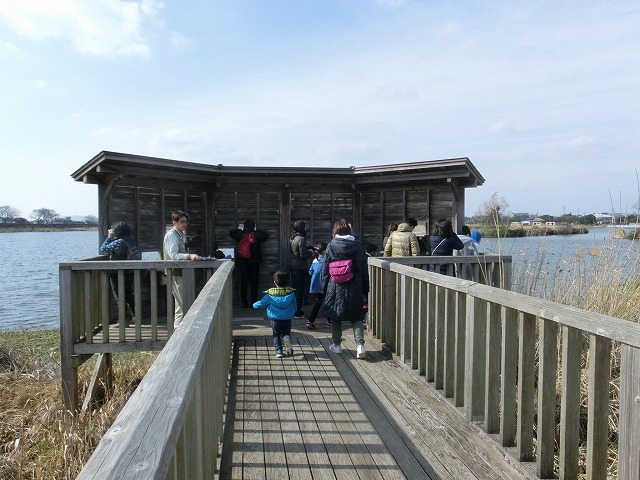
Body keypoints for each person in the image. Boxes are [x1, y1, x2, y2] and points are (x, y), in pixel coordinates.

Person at [322, 219, 369, 359]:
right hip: (355, 284)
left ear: (335, 230)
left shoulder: (331, 246)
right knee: (357, 316)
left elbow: (325, 269)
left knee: (336, 315)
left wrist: (324, 288)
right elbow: (363, 269)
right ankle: (360, 346)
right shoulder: (358, 246)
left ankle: (336, 345)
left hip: (335, 285)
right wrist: (366, 288)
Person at [163, 210, 202, 326]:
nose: (185, 224)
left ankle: (182, 328)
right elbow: (173, 255)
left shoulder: (181, 234)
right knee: (181, 303)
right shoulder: (171, 235)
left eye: (186, 222)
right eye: (182, 222)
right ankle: (177, 329)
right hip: (175, 272)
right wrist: (189, 256)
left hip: (181, 272)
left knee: (184, 301)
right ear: (174, 222)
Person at [253, 271, 296, 358]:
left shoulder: (270, 294)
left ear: (275, 282)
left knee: (276, 335)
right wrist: (292, 312)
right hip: (287, 318)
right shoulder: (291, 292)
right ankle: (287, 340)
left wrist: (254, 305)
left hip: (275, 319)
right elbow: (295, 305)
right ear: (286, 282)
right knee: (286, 333)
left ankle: (279, 351)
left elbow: (259, 304)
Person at [99, 221, 136, 320]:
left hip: (116, 273)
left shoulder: (118, 242)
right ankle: (135, 316)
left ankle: (123, 319)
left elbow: (103, 249)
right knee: (129, 295)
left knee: (119, 296)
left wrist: (109, 237)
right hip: (129, 272)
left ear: (118, 231)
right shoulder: (131, 241)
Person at [229, 219, 269, 308]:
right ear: (253, 227)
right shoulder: (256, 234)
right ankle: (253, 302)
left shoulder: (240, 234)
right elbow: (266, 235)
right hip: (254, 262)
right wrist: (256, 231)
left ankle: (244, 302)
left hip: (242, 262)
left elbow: (231, 232)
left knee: (243, 281)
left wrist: (241, 230)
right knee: (254, 282)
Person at [289, 220, 312, 319]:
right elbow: (303, 255)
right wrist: (311, 252)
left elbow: (296, 251)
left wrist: (307, 248)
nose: (306, 228)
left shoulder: (292, 238)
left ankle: (294, 310)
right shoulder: (301, 239)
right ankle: (297, 312)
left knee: (295, 290)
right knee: (299, 290)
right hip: (300, 266)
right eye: (304, 227)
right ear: (301, 228)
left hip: (293, 265)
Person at [306, 242, 327, 329]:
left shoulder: (315, 261)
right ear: (325, 251)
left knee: (318, 302)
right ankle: (329, 321)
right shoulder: (326, 260)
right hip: (326, 284)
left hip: (317, 285)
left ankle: (310, 321)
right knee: (328, 302)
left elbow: (310, 272)